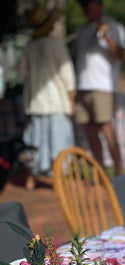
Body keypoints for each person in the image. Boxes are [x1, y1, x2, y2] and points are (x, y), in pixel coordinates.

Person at [18, 4, 76, 189]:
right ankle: (60, 180)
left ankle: (31, 178)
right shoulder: (56, 46)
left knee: (35, 142)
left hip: (35, 102)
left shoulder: (28, 48)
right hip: (56, 101)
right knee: (59, 141)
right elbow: (68, 75)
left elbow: (21, 73)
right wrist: (71, 99)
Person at [73, 0, 125, 175]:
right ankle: (101, 172)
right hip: (82, 86)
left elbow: (123, 55)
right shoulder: (82, 31)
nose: (86, 11)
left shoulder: (115, 27)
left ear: (99, 7)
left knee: (106, 128)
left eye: (89, 6)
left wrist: (106, 36)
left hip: (103, 87)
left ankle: (118, 171)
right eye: (85, 8)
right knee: (89, 130)